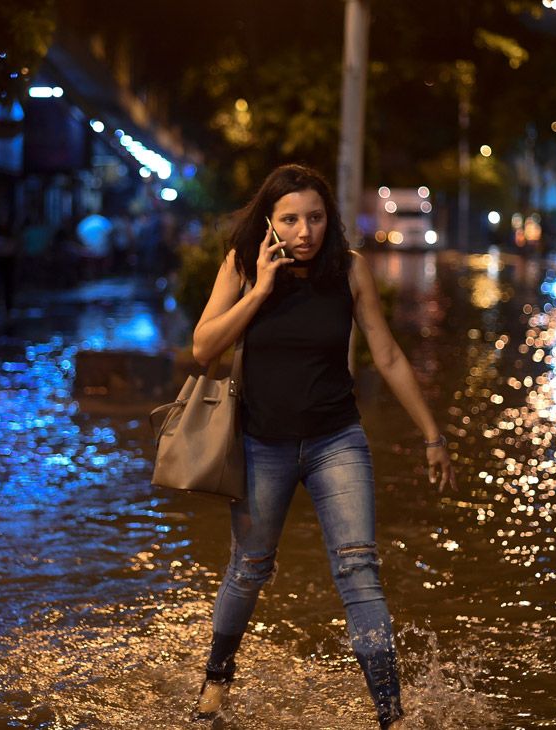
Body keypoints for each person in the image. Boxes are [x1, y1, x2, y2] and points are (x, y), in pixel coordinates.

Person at [189, 164, 455, 729]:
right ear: (270, 221)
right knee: (249, 568)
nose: (304, 230)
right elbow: (203, 346)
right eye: (290, 219)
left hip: (338, 440)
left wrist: (432, 434)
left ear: (328, 218)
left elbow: (385, 353)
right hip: (262, 444)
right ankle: (217, 677)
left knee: (359, 571)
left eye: (314, 217)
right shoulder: (241, 265)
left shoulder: (349, 271)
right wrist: (260, 289)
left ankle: (390, 713)